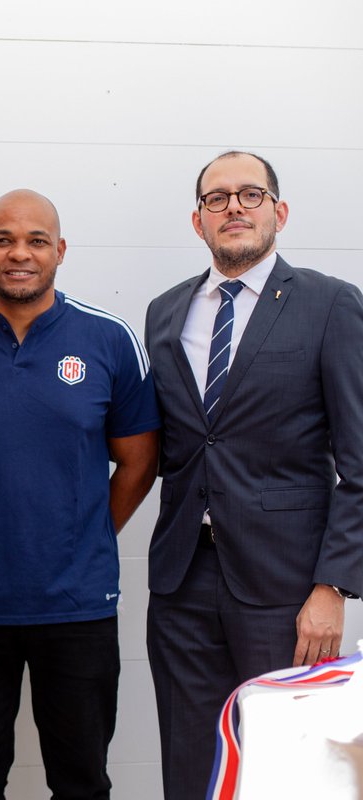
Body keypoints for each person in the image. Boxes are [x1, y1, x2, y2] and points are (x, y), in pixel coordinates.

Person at [0, 189, 159, 800]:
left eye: (36, 241)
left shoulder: (108, 338)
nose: (19, 254)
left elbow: (139, 461)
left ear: (60, 250)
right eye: (3, 240)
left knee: (81, 781)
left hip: (79, 607)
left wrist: (87, 532)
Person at [145, 151, 363, 798]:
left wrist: (333, 587)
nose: (233, 207)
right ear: (198, 220)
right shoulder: (165, 312)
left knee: (284, 767)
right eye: (217, 198)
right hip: (183, 578)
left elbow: (359, 462)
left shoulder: (330, 305)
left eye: (249, 194)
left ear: (279, 211)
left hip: (288, 586)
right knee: (191, 761)